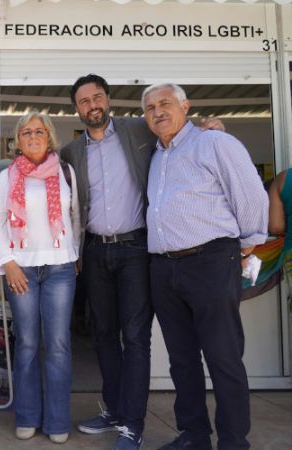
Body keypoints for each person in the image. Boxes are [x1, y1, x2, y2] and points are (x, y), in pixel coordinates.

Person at [60, 74, 224, 450]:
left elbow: (176, 130)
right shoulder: (72, 152)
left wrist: (207, 127)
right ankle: (115, 410)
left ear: (109, 99)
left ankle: (133, 425)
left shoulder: (139, 130)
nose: (92, 105)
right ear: (77, 108)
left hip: (136, 249)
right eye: (84, 101)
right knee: (103, 335)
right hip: (96, 252)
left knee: (135, 338)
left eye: (97, 97)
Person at [143, 83, 268, 450]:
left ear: (186, 106)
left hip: (211, 261)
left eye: (165, 103)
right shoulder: (155, 157)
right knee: (182, 360)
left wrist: (246, 246)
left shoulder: (215, 143)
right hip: (165, 268)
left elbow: (250, 197)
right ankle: (194, 436)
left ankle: (233, 442)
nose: (157, 112)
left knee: (223, 356)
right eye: (150, 107)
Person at [0, 111, 81, 443]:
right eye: (25, 131)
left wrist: (76, 255)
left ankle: (57, 421)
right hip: (22, 269)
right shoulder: (7, 177)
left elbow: (75, 217)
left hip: (59, 268)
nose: (32, 136)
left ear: (49, 135)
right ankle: (27, 415)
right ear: (18, 139)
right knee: (27, 343)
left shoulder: (65, 172)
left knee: (57, 345)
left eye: (38, 131)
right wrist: (8, 262)